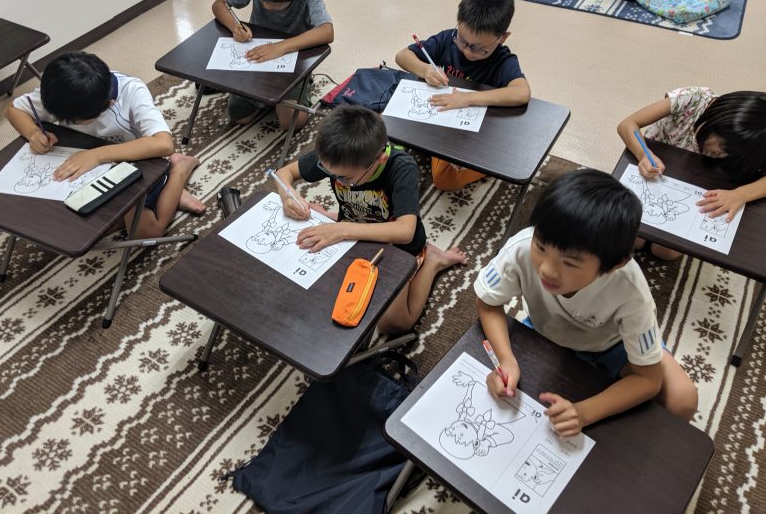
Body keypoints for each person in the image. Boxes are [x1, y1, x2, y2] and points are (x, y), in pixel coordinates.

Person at [475, 169, 698, 436]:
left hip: (613, 345)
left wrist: (584, 413)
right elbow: (488, 303)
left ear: (614, 264)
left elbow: (648, 379)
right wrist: (506, 359)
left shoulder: (631, 290)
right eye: (541, 246)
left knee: (683, 399)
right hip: (547, 331)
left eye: (569, 263)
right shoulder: (521, 248)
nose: (547, 269)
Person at [274, 106, 467, 334]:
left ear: (380, 159)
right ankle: (332, 218)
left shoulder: (401, 167)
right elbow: (283, 173)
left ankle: (432, 260)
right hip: (354, 233)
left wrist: (341, 229)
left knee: (394, 325)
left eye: (345, 178)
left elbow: (405, 231)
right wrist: (288, 196)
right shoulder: (337, 154)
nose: (336, 179)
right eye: (329, 173)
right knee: (318, 291)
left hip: (397, 247)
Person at [5, 51, 204, 238]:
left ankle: (179, 169)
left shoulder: (132, 91)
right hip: (84, 165)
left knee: (144, 232)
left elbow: (164, 144)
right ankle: (167, 192)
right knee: (61, 220)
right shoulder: (62, 90)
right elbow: (13, 109)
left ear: (109, 104)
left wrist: (97, 155)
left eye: (75, 121)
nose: (66, 122)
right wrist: (33, 133)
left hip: (134, 164)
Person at [394, 0, 531, 191]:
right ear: (458, 24)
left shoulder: (502, 60)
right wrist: (425, 69)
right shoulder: (447, 39)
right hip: (440, 120)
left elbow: (522, 92)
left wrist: (467, 99)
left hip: (471, 132)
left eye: (479, 48)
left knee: (444, 179)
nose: (467, 51)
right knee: (390, 135)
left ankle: (489, 165)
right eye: (463, 41)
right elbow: (402, 56)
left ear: (502, 38)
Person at [617, 87, 766, 260]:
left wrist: (740, 194)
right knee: (633, 239)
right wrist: (644, 154)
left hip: (696, 182)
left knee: (665, 252)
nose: (721, 152)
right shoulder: (692, 98)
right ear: (714, 120)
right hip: (658, 169)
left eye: (731, 152)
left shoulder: (757, 139)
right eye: (723, 145)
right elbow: (627, 125)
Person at [211, 0, 334, 130]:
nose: (267, 6)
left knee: (291, 123)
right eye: (262, 0)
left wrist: (281, 47)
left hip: (293, 60)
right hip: (256, 54)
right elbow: (219, 4)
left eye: (275, 4)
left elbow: (327, 31)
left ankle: (300, 87)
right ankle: (268, 100)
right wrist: (235, 26)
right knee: (239, 116)